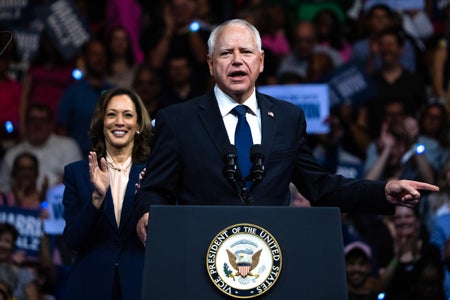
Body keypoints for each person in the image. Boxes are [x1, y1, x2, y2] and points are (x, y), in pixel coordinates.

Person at [135, 18, 439, 245]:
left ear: (261, 61)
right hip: (200, 251)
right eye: (227, 53)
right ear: (211, 64)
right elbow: (155, 188)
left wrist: (382, 190)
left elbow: (320, 187)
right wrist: (147, 212)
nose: (238, 60)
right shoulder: (177, 120)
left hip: (271, 254)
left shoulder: (287, 118)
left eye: (246, 52)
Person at [62, 87, 151, 299]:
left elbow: (167, 237)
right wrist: (96, 200)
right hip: (91, 285)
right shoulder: (77, 173)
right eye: (111, 114)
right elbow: (73, 241)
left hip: (141, 284)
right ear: (102, 122)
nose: (119, 122)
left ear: (138, 125)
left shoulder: (154, 174)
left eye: (128, 115)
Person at [0, 103, 82, 193]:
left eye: (43, 120)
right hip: (20, 205)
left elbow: (77, 182)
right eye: (33, 120)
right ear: (26, 123)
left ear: (51, 124)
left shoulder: (68, 147)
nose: (38, 125)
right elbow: (3, 189)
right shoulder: (12, 155)